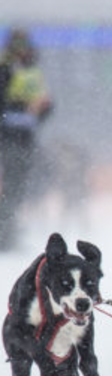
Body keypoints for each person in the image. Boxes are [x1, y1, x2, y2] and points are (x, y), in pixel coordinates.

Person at [0, 29, 53, 249]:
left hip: (25, 141)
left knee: (20, 187)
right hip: (8, 141)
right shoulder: (5, 70)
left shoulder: (33, 72)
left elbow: (43, 108)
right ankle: (5, 232)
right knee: (10, 188)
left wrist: (42, 109)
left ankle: (10, 229)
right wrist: (22, 111)